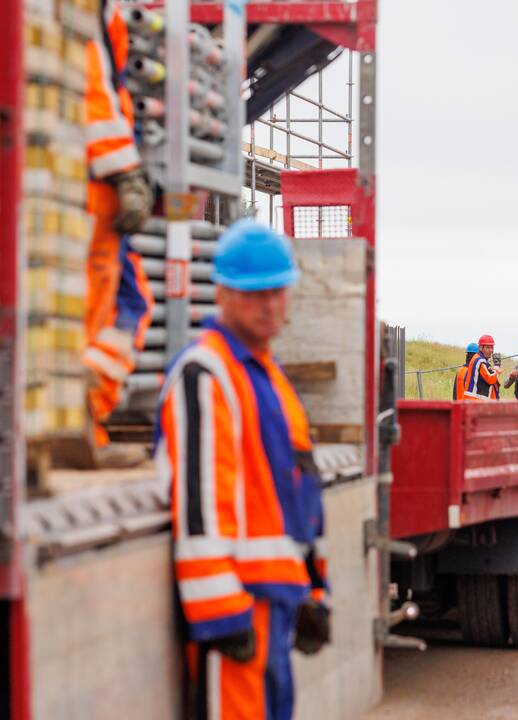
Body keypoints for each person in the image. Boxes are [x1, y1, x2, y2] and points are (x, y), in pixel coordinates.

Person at [157, 221, 330, 720]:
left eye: (278, 291)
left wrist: (315, 589)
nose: (269, 304)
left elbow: (302, 499)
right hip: (235, 612)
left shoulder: (272, 380)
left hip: (276, 604)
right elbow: (199, 504)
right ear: (223, 294)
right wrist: (221, 615)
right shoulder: (204, 374)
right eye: (254, 293)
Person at [83, 0, 155, 461]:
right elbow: (93, 86)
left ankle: (82, 420)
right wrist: (125, 171)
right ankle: (81, 419)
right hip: (97, 180)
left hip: (91, 175)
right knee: (117, 306)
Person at [463, 334, 501, 400]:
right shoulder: (480, 360)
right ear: (480, 347)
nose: (491, 350)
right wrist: (497, 368)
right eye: (487, 347)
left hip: (472, 399)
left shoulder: (478, 359)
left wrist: (490, 368)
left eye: (492, 348)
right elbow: (490, 379)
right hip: (475, 400)